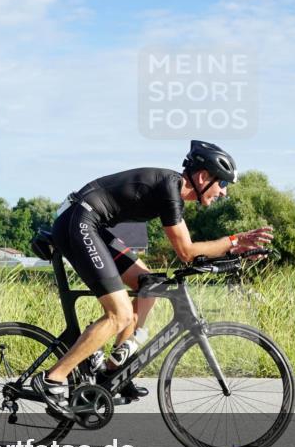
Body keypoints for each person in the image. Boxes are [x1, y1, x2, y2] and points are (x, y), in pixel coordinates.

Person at [31, 140, 274, 418]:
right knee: (119, 315)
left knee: (150, 285)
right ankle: (52, 380)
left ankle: (112, 370)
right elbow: (186, 252)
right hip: (79, 220)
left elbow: (193, 254)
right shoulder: (170, 189)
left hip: (90, 223)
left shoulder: (173, 193)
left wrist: (235, 254)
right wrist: (233, 241)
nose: (224, 192)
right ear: (204, 177)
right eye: (223, 183)